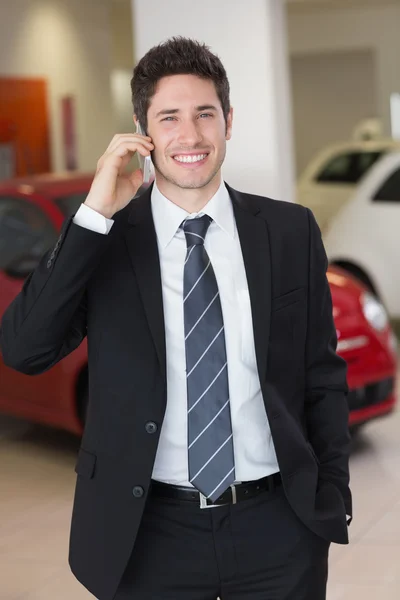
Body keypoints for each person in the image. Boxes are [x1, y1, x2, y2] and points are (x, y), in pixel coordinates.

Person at [0, 37, 352, 600]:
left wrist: (334, 493)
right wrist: (92, 215)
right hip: (146, 534)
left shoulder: (288, 231)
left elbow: (322, 374)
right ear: (142, 129)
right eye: (169, 117)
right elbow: (24, 349)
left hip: (278, 528)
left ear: (228, 122)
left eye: (204, 114)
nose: (189, 136)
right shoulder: (105, 241)